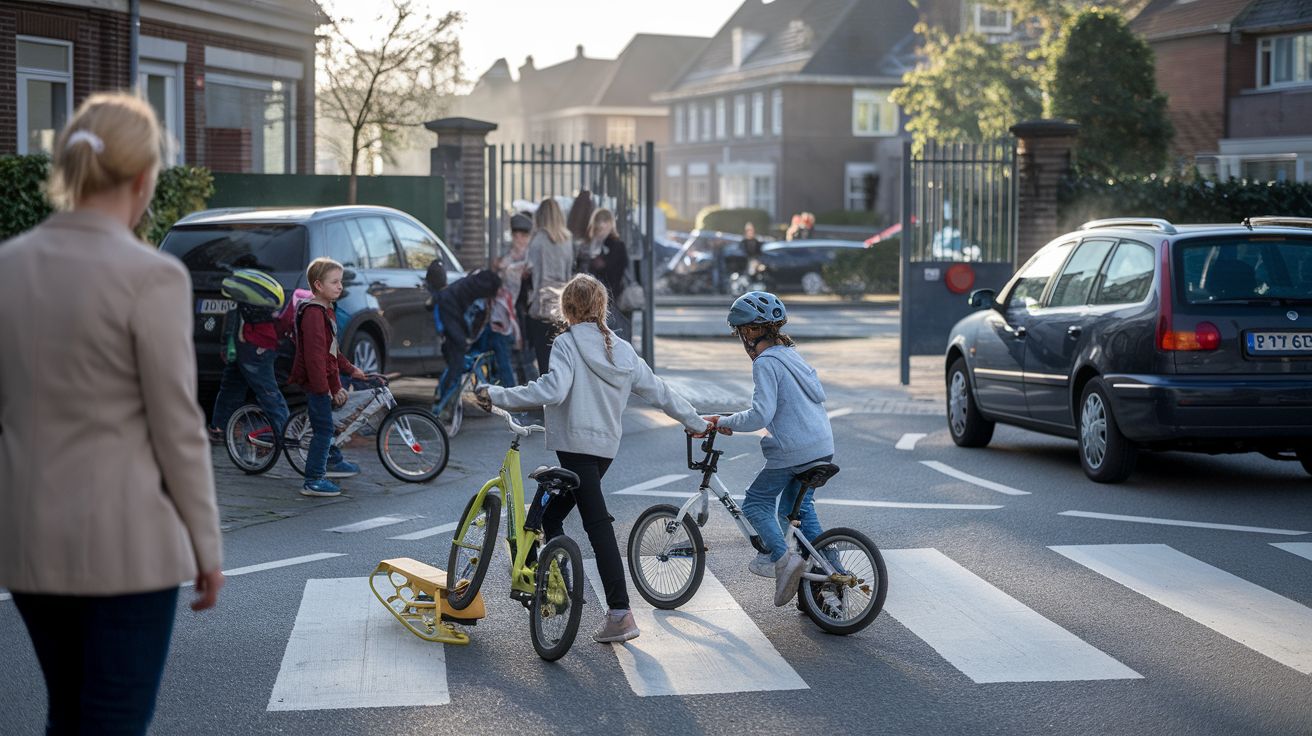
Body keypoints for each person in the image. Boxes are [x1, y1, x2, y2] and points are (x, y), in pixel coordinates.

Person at [0, 91, 223, 735]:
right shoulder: (150, 276)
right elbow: (178, 428)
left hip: (29, 544)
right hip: (127, 548)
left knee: (68, 716)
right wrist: (205, 546)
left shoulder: (8, 267)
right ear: (145, 176)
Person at [476, 274, 710, 643]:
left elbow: (552, 390)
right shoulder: (621, 349)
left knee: (597, 527)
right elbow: (660, 392)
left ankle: (620, 613)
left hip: (574, 449)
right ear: (602, 308)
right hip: (603, 454)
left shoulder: (567, 344)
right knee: (550, 518)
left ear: (566, 309)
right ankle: (554, 587)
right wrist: (696, 422)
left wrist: (498, 394)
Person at [702, 291, 834, 607]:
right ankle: (831, 578)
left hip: (793, 450)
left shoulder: (765, 363)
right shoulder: (792, 355)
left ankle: (782, 559)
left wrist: (724, 420)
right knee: (798, 511)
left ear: (749, 332)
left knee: (756, 504)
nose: (741, 340)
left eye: (740, 333)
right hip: (823, 446)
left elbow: (762, 414)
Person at [288, 257, 370, 498]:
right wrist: (327, 389)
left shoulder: (326, 310)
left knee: (329, 424)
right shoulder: (314, 314)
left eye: (340, 282)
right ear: (318, 285)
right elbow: (315, 358)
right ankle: (313, 479)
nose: (340, 286)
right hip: (316, 384)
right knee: (323, 429)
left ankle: (332, 461)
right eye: (334, 282)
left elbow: (332, 352)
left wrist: (350, 370)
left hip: (323, 380)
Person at [207, 268, 291, 446]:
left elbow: (234, 320)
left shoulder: (245, 296)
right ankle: (220, 429)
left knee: (244, 388)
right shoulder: (261, 295)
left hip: (249, 345)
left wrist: (226, 344)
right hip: (252, 345)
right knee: (251, 389)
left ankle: (221, 429)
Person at [432, 268, 502, 417]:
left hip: (451, 314)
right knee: (456, 363)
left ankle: (444, 400)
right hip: (450, 315)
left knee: (455, 363)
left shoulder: (467, 287)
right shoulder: (468, 293)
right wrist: (465, 339)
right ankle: (443, 405)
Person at [525, 198, 573, 374]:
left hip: (542, 303)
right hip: (563, 303)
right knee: (562, 357)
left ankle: (548, 396)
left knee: (544, 359)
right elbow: (569, 271)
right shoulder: (567, 240)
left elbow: (530, 271)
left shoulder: (537, 241)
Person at [578, 208, 630, 338]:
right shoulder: (587, 244)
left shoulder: (616, 245)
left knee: (613, 337)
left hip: (612, 299)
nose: (601, 226)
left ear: (611, 224)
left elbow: (614, 270)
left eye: (605, 222)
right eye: (599, 222)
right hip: (589, 299)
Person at [504, 213, 537, 384]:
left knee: (527, 356)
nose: (519, 239)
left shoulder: (534, 257)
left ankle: (532, 391)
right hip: (511, 311)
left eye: (523, 236)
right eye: (516, 235)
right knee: (516, 355)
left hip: (527, 311)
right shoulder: (506, 258)